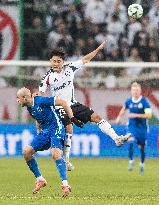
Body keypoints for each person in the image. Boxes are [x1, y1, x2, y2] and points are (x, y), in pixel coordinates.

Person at [39, 41, 129, 170]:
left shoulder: (70, 68)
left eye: (58, 61)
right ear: (50, 61)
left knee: (97, 117)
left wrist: (98, 49)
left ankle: (116, 139)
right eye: (54, 61)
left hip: (73, 105)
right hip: (58, 108)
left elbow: (85, 59)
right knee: (69, 128)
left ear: (62, 62)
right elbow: (41, 94)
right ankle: (66, 161)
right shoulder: (47, 78)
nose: (56, 64)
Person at [16, 87, 83, 197]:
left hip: (56, 128)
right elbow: (38, 118)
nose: (17, 101)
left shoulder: (41, 100)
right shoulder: (29, 107)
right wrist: (39, 132)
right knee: (26, 152)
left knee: (55, 154)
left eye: (18, 98)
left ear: (24, 98)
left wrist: (72, 118)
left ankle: (65, 185)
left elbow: (63, 102)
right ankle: (40, 179)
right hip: (45, 132)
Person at [115, 82, 152, 174]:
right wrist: (119, 117)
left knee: (141, 147)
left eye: (137, 90)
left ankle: (142, 164)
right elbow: (124, 109)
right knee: (130, 141)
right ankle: (131, 161)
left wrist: (135, 115)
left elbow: (149, 115)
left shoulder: (144, 102)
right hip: (132, 126)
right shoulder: (129, 101)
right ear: (131, 91)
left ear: (140, 91)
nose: (135, 92)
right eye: (133, 90)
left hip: (142, 128)